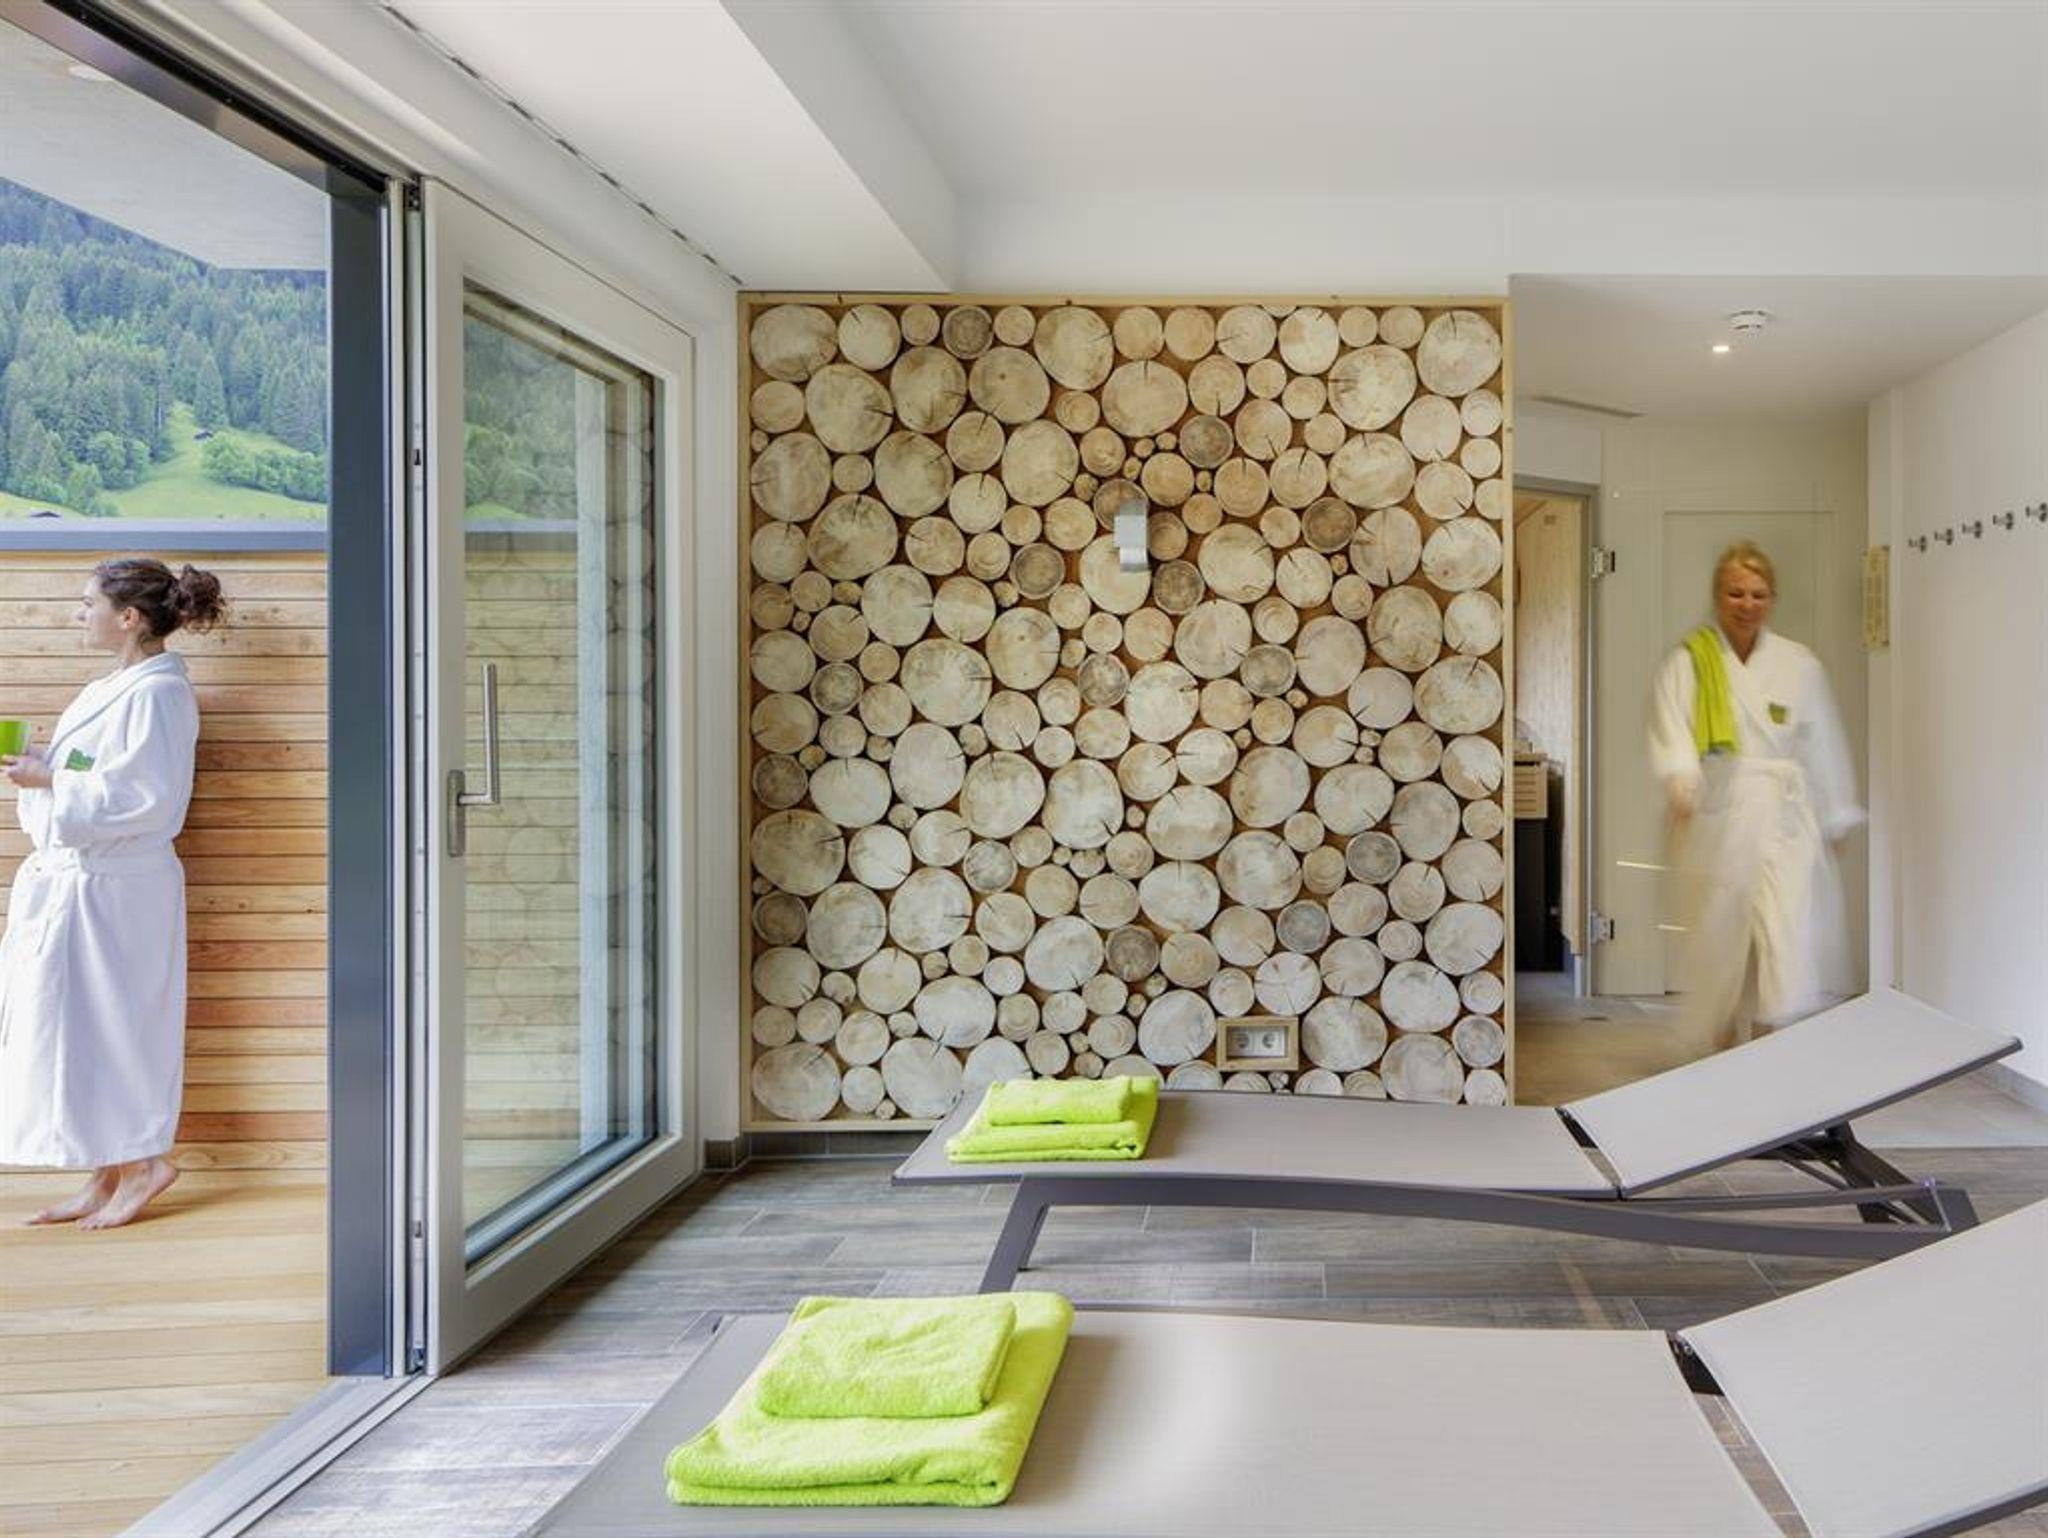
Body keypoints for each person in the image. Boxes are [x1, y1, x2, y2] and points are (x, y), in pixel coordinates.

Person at [0, 558, 225, 1228]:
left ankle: (146, 1163)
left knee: (118, 1027)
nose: (79, 613)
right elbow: (93, 772)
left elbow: (148, 796)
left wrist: (51, 781)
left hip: (118, 890)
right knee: (80, 1028)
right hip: (83, 883)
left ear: (127, 617)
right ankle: (105, 1171)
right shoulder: (113, 687)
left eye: (87, 602)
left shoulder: (159, 695)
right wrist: (44, 771)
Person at [1648, 541, 1862, 1054]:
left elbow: (1821, 742)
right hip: (1720, 816)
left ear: (1772, 599)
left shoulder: (1799, 664)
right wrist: (1679, 778)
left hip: (1786, 822)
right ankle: (1722, 1049)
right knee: (1722, 944)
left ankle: (1767, 1054)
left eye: (1758, 594)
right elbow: (1673, 726)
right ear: (1717, 596)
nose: (1747, 604)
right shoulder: (1690, 661)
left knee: (1782, 942)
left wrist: (1835, 815)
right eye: (1736, 593)